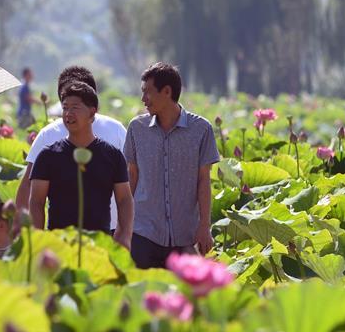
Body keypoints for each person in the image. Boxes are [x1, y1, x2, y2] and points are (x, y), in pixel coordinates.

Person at [124, 63, 220, 269]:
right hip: (143, 232)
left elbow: (204, 181)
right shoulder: (136, 129)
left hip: (185, 236)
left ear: (167, 91)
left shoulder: (201, 130)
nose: (143, 100)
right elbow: (132, 177)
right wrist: (123, 228)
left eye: (147, 93)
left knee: (181, 297)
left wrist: (204, 226)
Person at [14, 66, 127, 230]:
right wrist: (27, 236)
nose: (70, 111)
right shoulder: (47, 135)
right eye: (67, 103)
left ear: (92, 102)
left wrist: (126, 232)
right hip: (61, 236)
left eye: (78, 102)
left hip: (111, 232)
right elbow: (28, 187)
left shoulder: (116, 130)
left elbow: (130, 182)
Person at [29, 81, 133, 249]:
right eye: (65, 108)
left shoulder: (113, 156)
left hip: (99, 248)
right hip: (60, 247)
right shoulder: (47, 156)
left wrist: (124, 236)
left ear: (92, 113)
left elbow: (125, 199)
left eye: (75, 108)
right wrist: (38, 242)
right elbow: (36, 202)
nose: (68, 114)